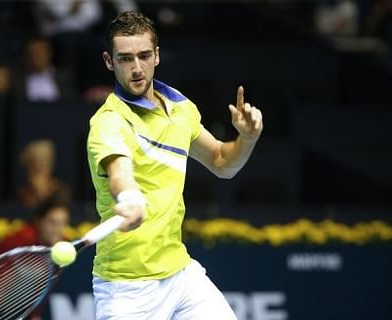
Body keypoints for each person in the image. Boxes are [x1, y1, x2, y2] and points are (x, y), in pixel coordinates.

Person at [86, 11, 263, 319]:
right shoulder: (109, 122)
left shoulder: (181, 108)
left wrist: (246, 139)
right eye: (126, 59)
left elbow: (222, 163)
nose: (137, 68)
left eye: (144, 56)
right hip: (126, 288)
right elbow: (119, 173)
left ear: (157, 55)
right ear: (109, 61)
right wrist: (128, 198)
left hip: (180, 274)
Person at [0, 192, 70, 319]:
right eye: (52, 222)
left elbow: (43, 286)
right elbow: (0, 281)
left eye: (62, 223)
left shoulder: (62, 248)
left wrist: (33, 315)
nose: (56, 229)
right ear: (39, 221)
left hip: (8, 294)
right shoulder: (22, 240)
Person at [15, 139, 71, 208]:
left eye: (43, 162)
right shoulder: (21, 194)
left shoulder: (60, 190)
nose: (39, 167)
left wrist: (40, 192)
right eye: (33, 164)